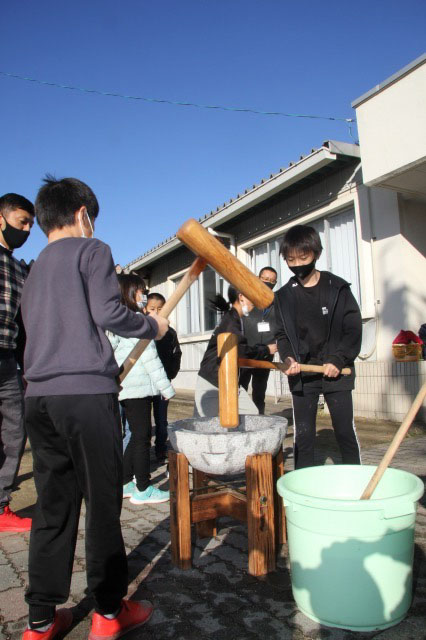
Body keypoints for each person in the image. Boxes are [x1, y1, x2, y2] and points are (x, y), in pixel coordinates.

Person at [20, 176, 169, 640]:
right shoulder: (93, 250)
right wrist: (153, 325)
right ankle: (108, 613)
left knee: (53, 505)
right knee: (102, 504)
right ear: (83, 213)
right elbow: (109, 313)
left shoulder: (33, 268)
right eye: (93, 218)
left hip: (38, 399)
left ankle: (41, 621)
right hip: (86, 397)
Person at [274, 224, 362, 470]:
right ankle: (303, 487)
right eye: (291, 259)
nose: (297, 263)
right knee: (303, 436)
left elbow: (353, 328)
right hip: (302, 375)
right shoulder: (283, 296)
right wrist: (289, 358)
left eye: (303, 257)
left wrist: (339, 358)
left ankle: (356, 480)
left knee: (344, 431)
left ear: (316, 254)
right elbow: (281, 334)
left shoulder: (337, 288)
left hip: (337, 371)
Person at [108, 276, 173, 504]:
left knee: (136, 435)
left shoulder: (117, 318)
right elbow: (149, 357)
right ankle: (143, 488)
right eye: (141, 290)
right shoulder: (136, 319)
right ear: (132, 291)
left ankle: (125, 482)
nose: (144, 294)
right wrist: (166, 388)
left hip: (124, 386)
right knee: (143, 437)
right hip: (138, 388)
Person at [0, 193, 35, 533]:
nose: (26, 230)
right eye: (22, 222)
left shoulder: (18, 267)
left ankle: (0, 507)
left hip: (8, 359)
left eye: (30, 225)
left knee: (14, 431)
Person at [194, 286, 275, 417]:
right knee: (205, 425)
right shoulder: (231, 320)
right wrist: (266, 349)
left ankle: (232, 436)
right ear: (241, 297)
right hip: (212, 380)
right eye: (252, 296)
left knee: (251, 414)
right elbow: (240, 350)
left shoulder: (236, 318)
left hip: (228, 379)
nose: (254, 301)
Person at [145, 292, 182, 462]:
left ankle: (161, 448)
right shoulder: (141, 329)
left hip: (163, 383)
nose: (156, 312)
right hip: (144, 383)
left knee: (162, 420)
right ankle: (142, 450)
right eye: (152, 308)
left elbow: (177, 354)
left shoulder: (170, 332)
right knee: (143, 422)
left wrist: (170, 375)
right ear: (145, 308)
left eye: (160, 309)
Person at [239, 266, 278, 414]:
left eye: (272, 281)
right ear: (258, 278)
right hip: (247, 351)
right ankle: (239, 417)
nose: (268, 282)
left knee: (260, 389)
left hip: (267, 353)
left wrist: (277, 343)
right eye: (265, 279)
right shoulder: (246, 298)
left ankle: (259, 417)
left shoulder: (276, 302)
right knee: (240, 386)